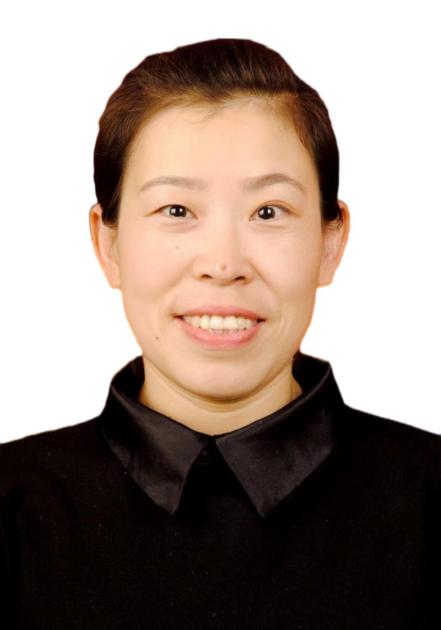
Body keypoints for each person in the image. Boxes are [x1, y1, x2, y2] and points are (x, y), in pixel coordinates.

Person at [0, 37, 439, 629]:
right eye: (177, 211)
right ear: (109, 244)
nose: (224, 263)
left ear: (330, 243)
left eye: (268, 212)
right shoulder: (14, 506)